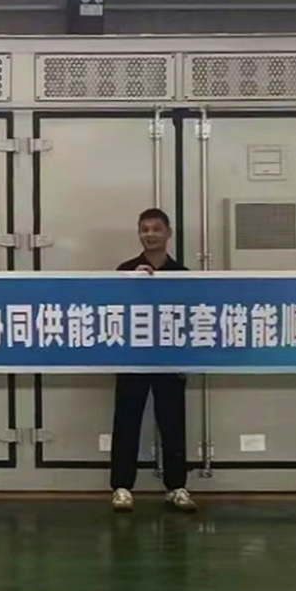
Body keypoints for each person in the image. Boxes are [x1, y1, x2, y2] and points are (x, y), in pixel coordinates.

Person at [109, 208, 196, 514]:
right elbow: (114, 311)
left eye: (156, 228)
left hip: (169, 359)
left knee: (172, 421)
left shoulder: (182, 274)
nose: (150, 234)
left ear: (168, 233)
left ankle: (177, 487)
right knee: (126, 420)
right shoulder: (126, 270)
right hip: (133, 359)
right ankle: (121, 487)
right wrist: (136, 282)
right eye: (144, 229)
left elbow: (190, 317)